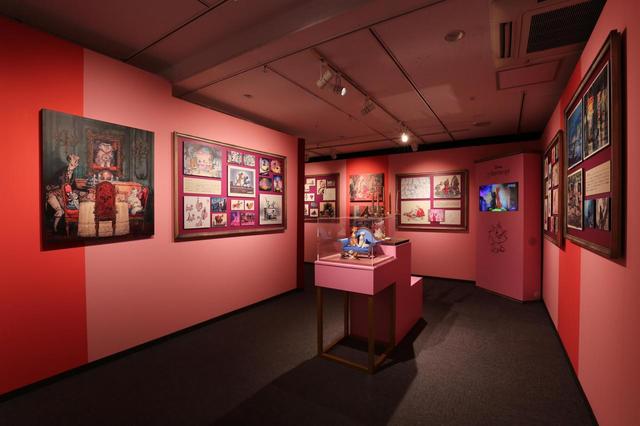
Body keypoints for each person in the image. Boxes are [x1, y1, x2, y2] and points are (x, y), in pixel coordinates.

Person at [46, 154, 82, 233]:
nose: (77, 163)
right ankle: (55, 229)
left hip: (61, 195)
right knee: (60, 211)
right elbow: (61, 185)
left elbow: (73, 187)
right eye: (75, 161)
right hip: (53, 194)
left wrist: (81, 192)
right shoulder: (62, 172)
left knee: (68, 209)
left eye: (77, 161)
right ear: (70, 161)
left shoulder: (72, 173)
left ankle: (61, 229)